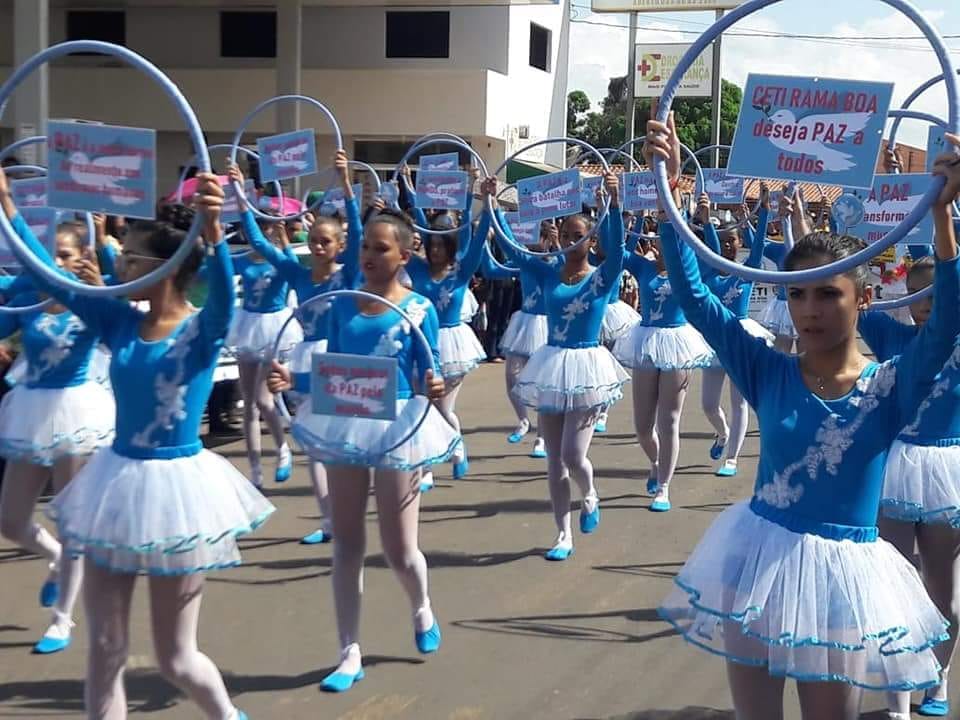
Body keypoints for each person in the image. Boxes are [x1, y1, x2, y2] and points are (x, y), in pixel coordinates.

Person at [647, 115, 960, 720]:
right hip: (754, 566)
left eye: (827, 293)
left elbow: (947, 321)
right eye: (796, 293)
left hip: (841, 585)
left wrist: (944, 216)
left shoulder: (890, 387)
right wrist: (673, 196)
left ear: (864, 299)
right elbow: (695, 298)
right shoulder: (767, 369)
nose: (809, 309)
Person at [0, 167, 270, 720]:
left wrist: (214, 231)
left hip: (177, 494)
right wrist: (6, 208)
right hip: (115, 486)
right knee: (104, 649)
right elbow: (52, 278)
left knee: (175, 658)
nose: (117, 265)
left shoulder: (201, 331)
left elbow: (221, 300)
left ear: (165, 267)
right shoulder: (119, 321)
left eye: (130, 258)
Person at [267, 207, 458, 694]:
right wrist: (296, 379)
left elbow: (424, 375)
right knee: (348, 544)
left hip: (397, 427)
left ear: (404, 253)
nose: (369, 256)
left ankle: (421, 606)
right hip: (346, 422)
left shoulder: (418, 310)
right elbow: (333, 369)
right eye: (365, 247)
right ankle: (348, 650)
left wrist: (432, 385)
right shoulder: (342, 304)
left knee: (398, 548)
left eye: (380, 248)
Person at [229, 151, 362, 545]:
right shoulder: (296, 273)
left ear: (338, 247)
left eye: (326, 242)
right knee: (314, 444)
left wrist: (345, 181)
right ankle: (328, 521)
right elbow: (256, 239)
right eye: (316, 242)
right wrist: (239, 192)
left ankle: (347, 509)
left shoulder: (348, 273)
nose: (319, 247)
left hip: (340, 359)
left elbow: (356, 232)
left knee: (341, 443)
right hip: (305, 360)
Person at [496, 173, 629, 561]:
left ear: (591, 240)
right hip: (551, 364)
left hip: (587, 367)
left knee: (574, 455)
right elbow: (511, 248)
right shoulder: (547, 270)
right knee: (554, 461)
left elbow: (618, 252)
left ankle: (589, 493)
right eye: (567, 234)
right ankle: (562, 533)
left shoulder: (601, 278)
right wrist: (490, 206)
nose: (572, 241)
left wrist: (616, 204)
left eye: (579, 235)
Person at [0, 222, 115, 655]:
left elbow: (120, 336)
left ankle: (63, 617)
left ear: (80, 258)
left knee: (72, 522)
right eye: (52, 256)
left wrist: (103, 285)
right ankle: (51, 557)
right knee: (9, 521)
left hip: (78, 412)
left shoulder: (89, 300)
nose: (57, 264)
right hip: (29, 410)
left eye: (66, 255)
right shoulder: (27, 298)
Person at [859, 248, 960, 718]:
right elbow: (838, 281)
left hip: (948, 473)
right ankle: (897, 699)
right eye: (918, 292)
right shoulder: (888, 334)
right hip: (897, 468)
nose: (926, 303)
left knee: (944, 594)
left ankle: (937, 680)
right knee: (895, 588)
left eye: (936, 292)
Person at [612, 208, 715, 512]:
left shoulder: (687, 267)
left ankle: (664, 486)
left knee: (668, 420)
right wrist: (619, 209)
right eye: (655, 237)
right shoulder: (644, 269)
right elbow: (618, 249)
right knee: (643, 426)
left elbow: (713, 255)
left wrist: (706, 222)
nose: (658, 243)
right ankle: (657, 463)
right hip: (645, 341)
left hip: (677, 344)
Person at [696, 193, 774, 477]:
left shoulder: (746, 271)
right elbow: (710, 251)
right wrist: (706, 222)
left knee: (739, 402)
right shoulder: (708, 273)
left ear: (741, 243)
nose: (729, 245)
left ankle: (732, 458)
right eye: (724, 241)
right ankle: (722, 432)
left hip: (741, 337)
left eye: (734, 241)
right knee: (708, 404)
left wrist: (763, 213)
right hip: (716, 339)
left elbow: (760, 245)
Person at [225, 206, 303, 488]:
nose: (259, 231)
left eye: (265, 226)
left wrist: (284, 241)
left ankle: (282, 450)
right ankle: (255, 469)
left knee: (263, 399)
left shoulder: (280, 260)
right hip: (247, 325)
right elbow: (219, 264)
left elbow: (294, 267)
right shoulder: (243, 259)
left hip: (273, 328)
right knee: (248, 403)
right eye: (256, 226)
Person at [478, 222, 556, 459]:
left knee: (544, 384)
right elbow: (491, 269)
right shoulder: (524, 262)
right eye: (532, 238)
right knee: (511, 374)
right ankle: (523, 420)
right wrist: (483, 241)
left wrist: (559, 245)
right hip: (525, 324)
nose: (533, 243)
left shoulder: (559, 263)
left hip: (548, 325)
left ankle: (542, 438)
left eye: (539, 238)